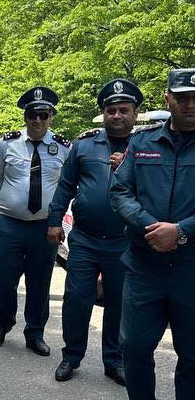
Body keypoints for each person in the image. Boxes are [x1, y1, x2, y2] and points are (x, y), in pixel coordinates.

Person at [47, 79, 143, 386]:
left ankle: (113, 361)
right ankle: (71, 356)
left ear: (135, 113)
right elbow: (65, 186)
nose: (117, 115)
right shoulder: (84, 146)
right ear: (103, 113)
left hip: (124, 241)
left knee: (118, 301)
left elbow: (154, 192)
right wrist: (53, 221)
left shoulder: (146, 148)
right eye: (111, 110)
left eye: (123, 110)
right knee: (77, 299)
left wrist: (129, 165)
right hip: (85, 240)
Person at [110, 68, 195, 400]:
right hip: (144, 268)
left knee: (192, 355)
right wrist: (151, 227)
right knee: (133, 348)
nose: (190, 105)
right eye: (183, 98)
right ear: (167, 98)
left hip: (191, 269)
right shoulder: (142, 141)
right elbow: (120, 192)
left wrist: (181, 232)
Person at [0, 86, 71, 356]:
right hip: (10, 225)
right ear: (25, 116)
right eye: (32, 114)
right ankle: (3, 324)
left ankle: (35, 333)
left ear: (51, 117)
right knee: (4, 278)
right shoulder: (6, 145)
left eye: (43, 115)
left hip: (45, 227)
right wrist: (17, 202)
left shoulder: (63, 148)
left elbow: (67, 186)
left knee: (39, 281)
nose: (37, 120)